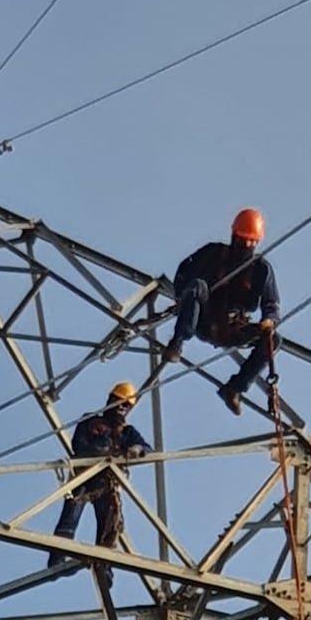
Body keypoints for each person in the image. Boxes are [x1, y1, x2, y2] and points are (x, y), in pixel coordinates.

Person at [163, 208, 281, 415]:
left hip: (233, 327)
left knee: (274, 340)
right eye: (243, 240)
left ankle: (234, 388)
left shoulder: (261, 268)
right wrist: (184, 298)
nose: (246, 246)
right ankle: (177, 343)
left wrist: (269, 321)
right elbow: (183, 274)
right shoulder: (213, 253)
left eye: (251, 242)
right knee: (198, 285)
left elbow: (271, 304)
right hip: (203, 318)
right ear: (234, 235)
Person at [47, 381, 152, 584]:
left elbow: (146, 447)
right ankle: (58, 558)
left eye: (126, 405)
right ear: (110, 400)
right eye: (119, 402)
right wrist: (102, 449)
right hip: (85, 476)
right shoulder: (91, 421)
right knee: (71, 515)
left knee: (110, 522)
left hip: (107, 482)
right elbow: (79, 444)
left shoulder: (127, 432)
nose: (122, 408)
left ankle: (104, 568)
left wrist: (137, 449)